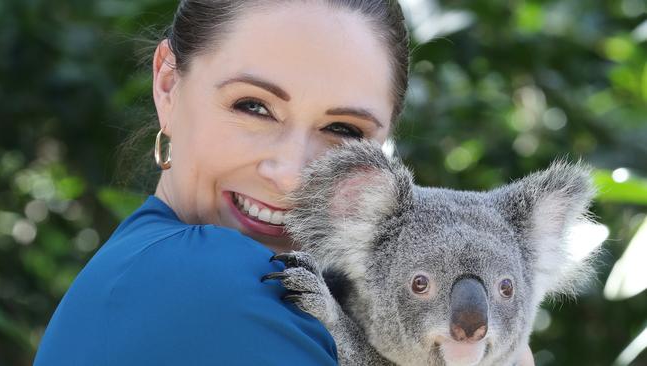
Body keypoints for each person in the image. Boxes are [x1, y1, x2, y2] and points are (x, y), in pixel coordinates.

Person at [33, 0, 535, 364]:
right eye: (252, 106)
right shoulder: (221, 282)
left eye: (344, 130)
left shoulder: (137, 257)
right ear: (168, 83)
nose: (292, 175)